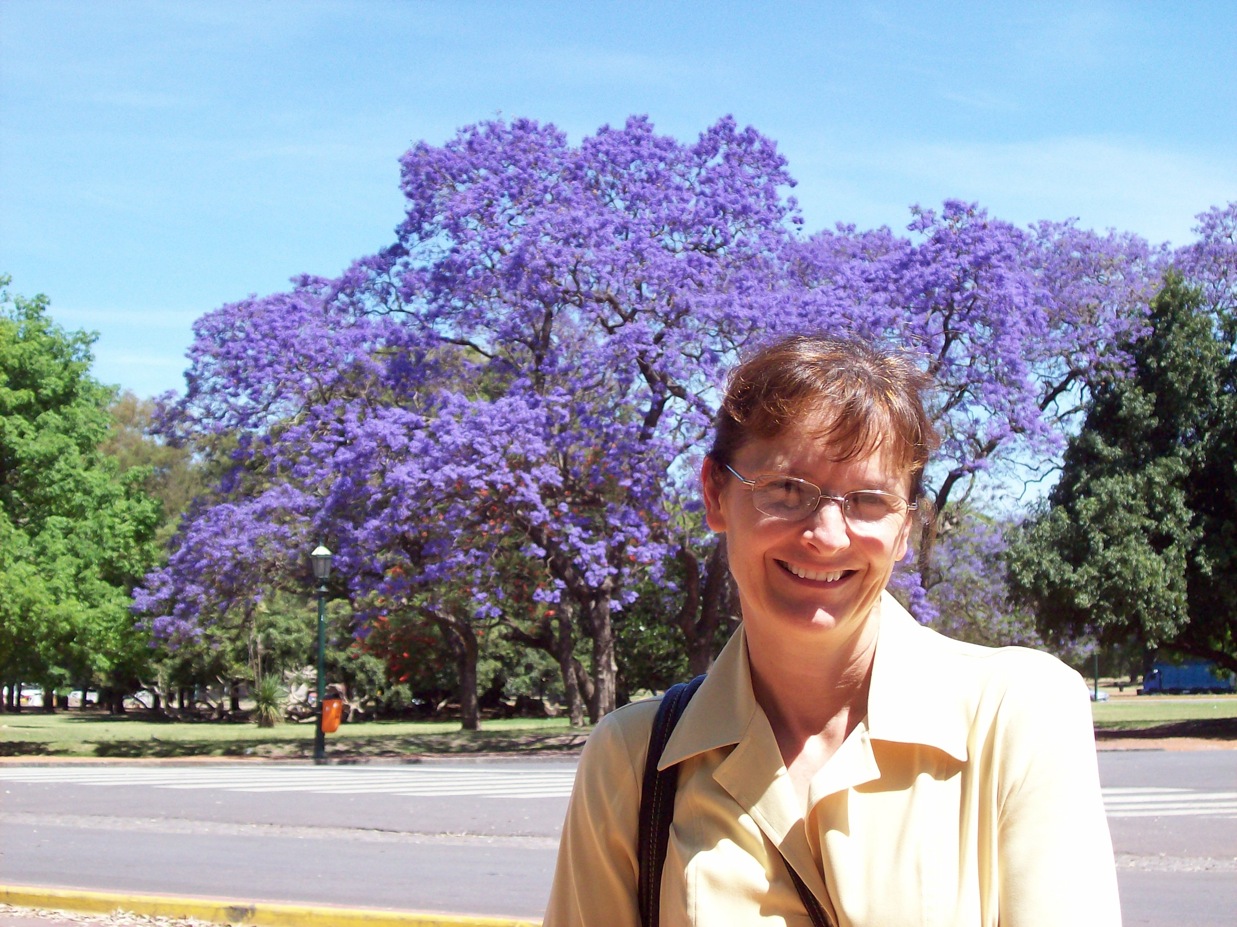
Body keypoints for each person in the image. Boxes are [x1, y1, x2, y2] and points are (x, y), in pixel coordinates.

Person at [544, 334, 1121, 927]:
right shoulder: (634, 758)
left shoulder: (1017, 713)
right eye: (786, 489)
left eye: (869, 501)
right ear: (715, 494)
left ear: (905, 530)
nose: (827, 535)